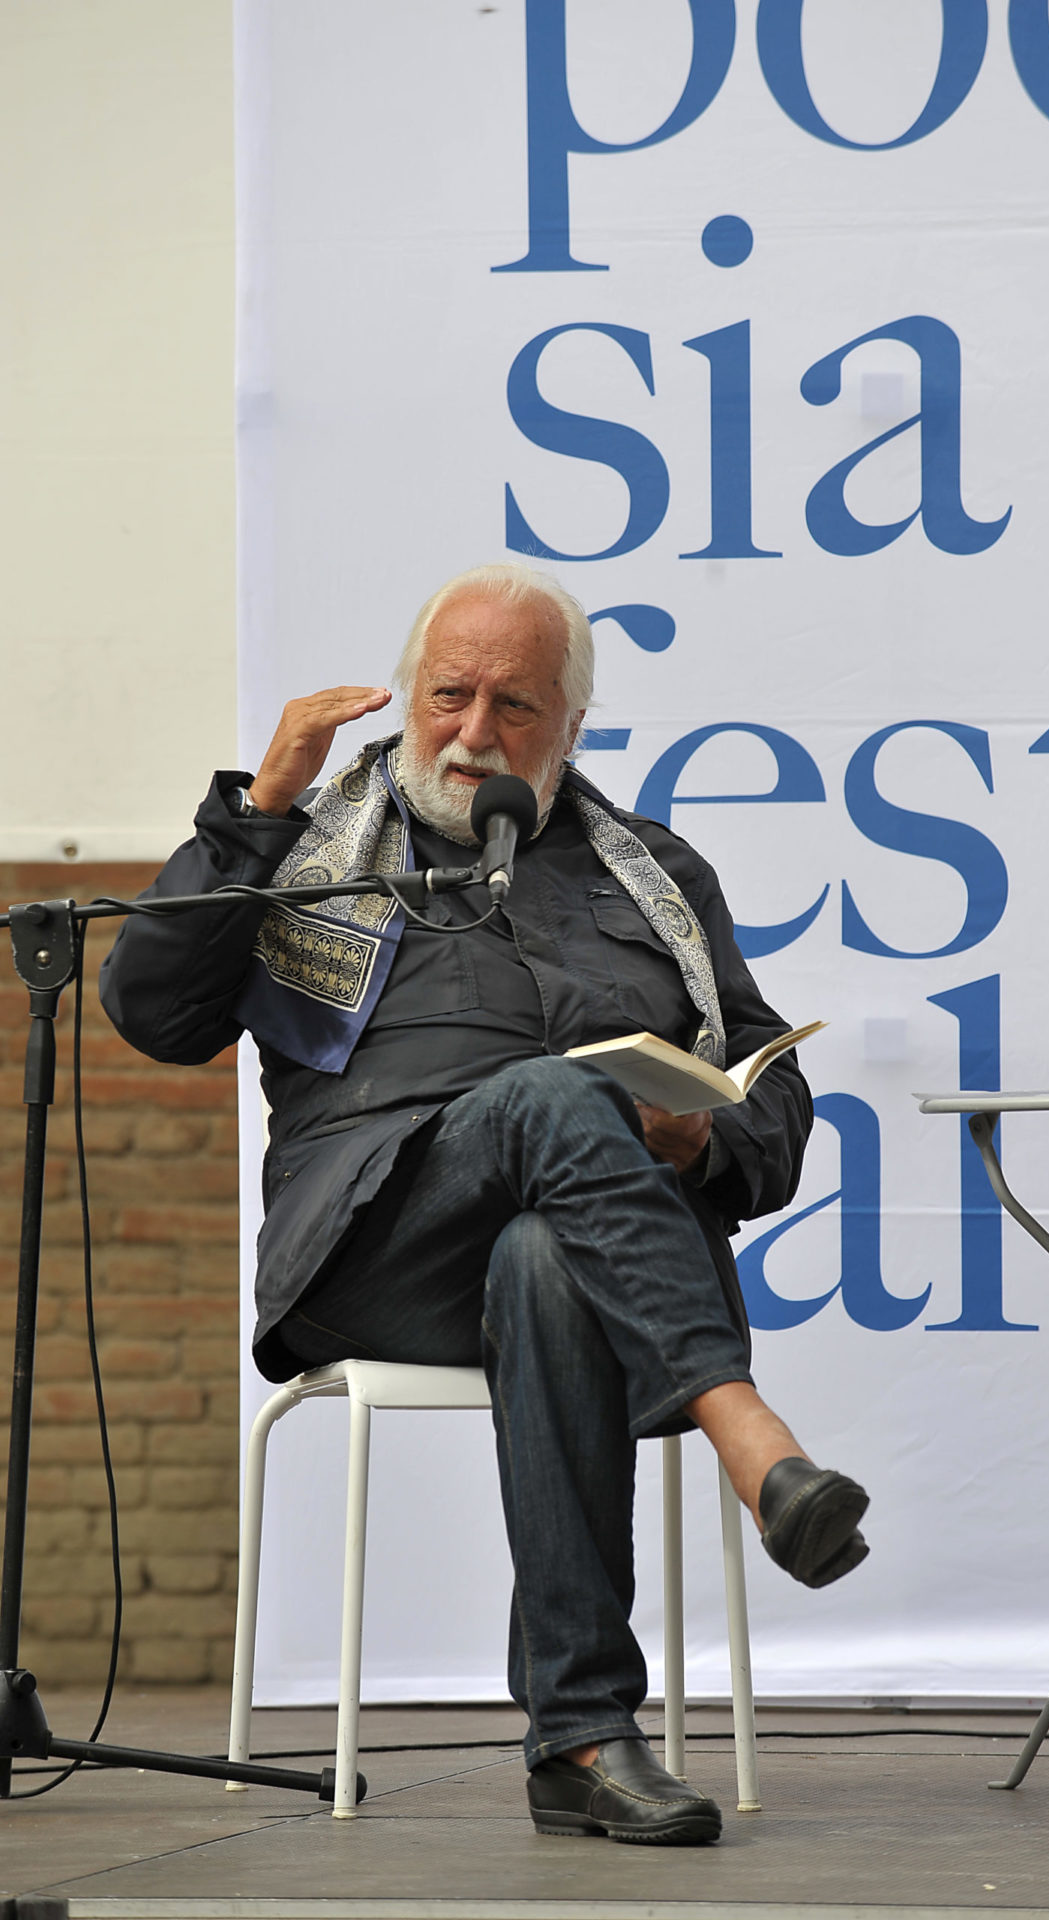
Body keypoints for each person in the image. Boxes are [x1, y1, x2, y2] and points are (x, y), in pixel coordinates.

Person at [100, 562, 870, 1847]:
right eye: (448, 695)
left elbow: (773, 1097)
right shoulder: (309, 847)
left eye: (514, 707)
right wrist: (262, 806)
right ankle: (752, 1439)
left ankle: (579, 1737)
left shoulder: (653, 874)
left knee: (546, 1255)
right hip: (368, 1243)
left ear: (571, 725)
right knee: (548, 1099)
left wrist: (698, 1141)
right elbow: (153, 1016)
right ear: (405, 697)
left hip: (580, 1260)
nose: (473, 733)